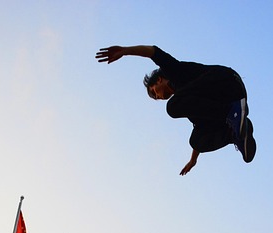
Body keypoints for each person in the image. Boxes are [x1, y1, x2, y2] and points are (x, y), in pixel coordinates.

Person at [96, 45, 256, 175]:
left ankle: (232, 113)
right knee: (196, 141)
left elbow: (153, 51)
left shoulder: (173, 71)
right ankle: (237, 133)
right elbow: (200, 126)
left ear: (159, 80)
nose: (158, 97)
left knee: (172, 107)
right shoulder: (189, 100)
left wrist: (124, 51)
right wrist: (194, 159)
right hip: (229, 99)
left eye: (155, 92)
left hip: (226, 83)